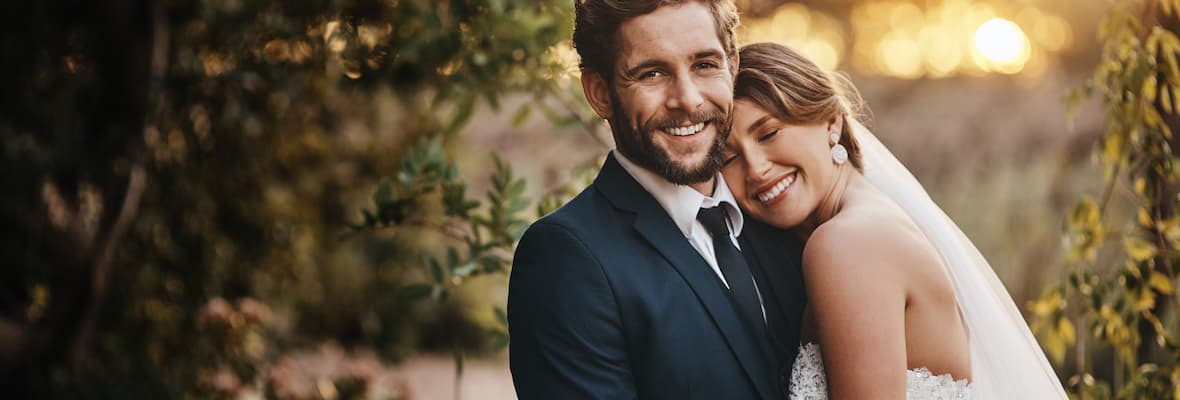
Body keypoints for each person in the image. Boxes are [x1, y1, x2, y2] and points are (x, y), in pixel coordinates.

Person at [721, 42, 1068, 399]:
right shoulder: (871, 221)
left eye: (768, 134)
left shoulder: (847, 243)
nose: (756, 168)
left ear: (831, 122)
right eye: (729, 158)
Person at [507, 1, 806, 399]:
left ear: (732, 68)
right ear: (600, 93)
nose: (687, 99)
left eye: (704, 65)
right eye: (652, 73)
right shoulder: (566, 259)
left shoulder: (781, 213)